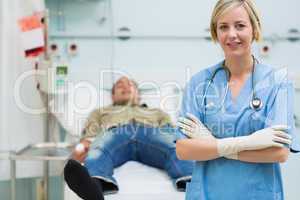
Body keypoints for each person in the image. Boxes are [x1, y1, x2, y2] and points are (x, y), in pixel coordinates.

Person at [176, 0, 300, 200]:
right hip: (207, 194)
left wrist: (214, 145)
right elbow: (183, 149)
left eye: (240, 25)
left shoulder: (277, 83)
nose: (232, 34)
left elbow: (279, 152)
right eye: (223, 27)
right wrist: (249, 143)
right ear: (216, 33)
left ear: (254, 29)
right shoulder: (200, 83)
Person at [64, 76, 193, 200]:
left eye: (130, 85)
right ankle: (95, 187)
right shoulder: (100, 112)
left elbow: (171, 133)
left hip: (150, 133)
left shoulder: (157, 112)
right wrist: (82, 149)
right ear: (113, 96)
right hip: (115, 133)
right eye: (120, 85)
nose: (125, 87)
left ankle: (192, 180)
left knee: (175, 147)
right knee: (99, 148)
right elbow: (90, 137)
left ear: (138, 95)